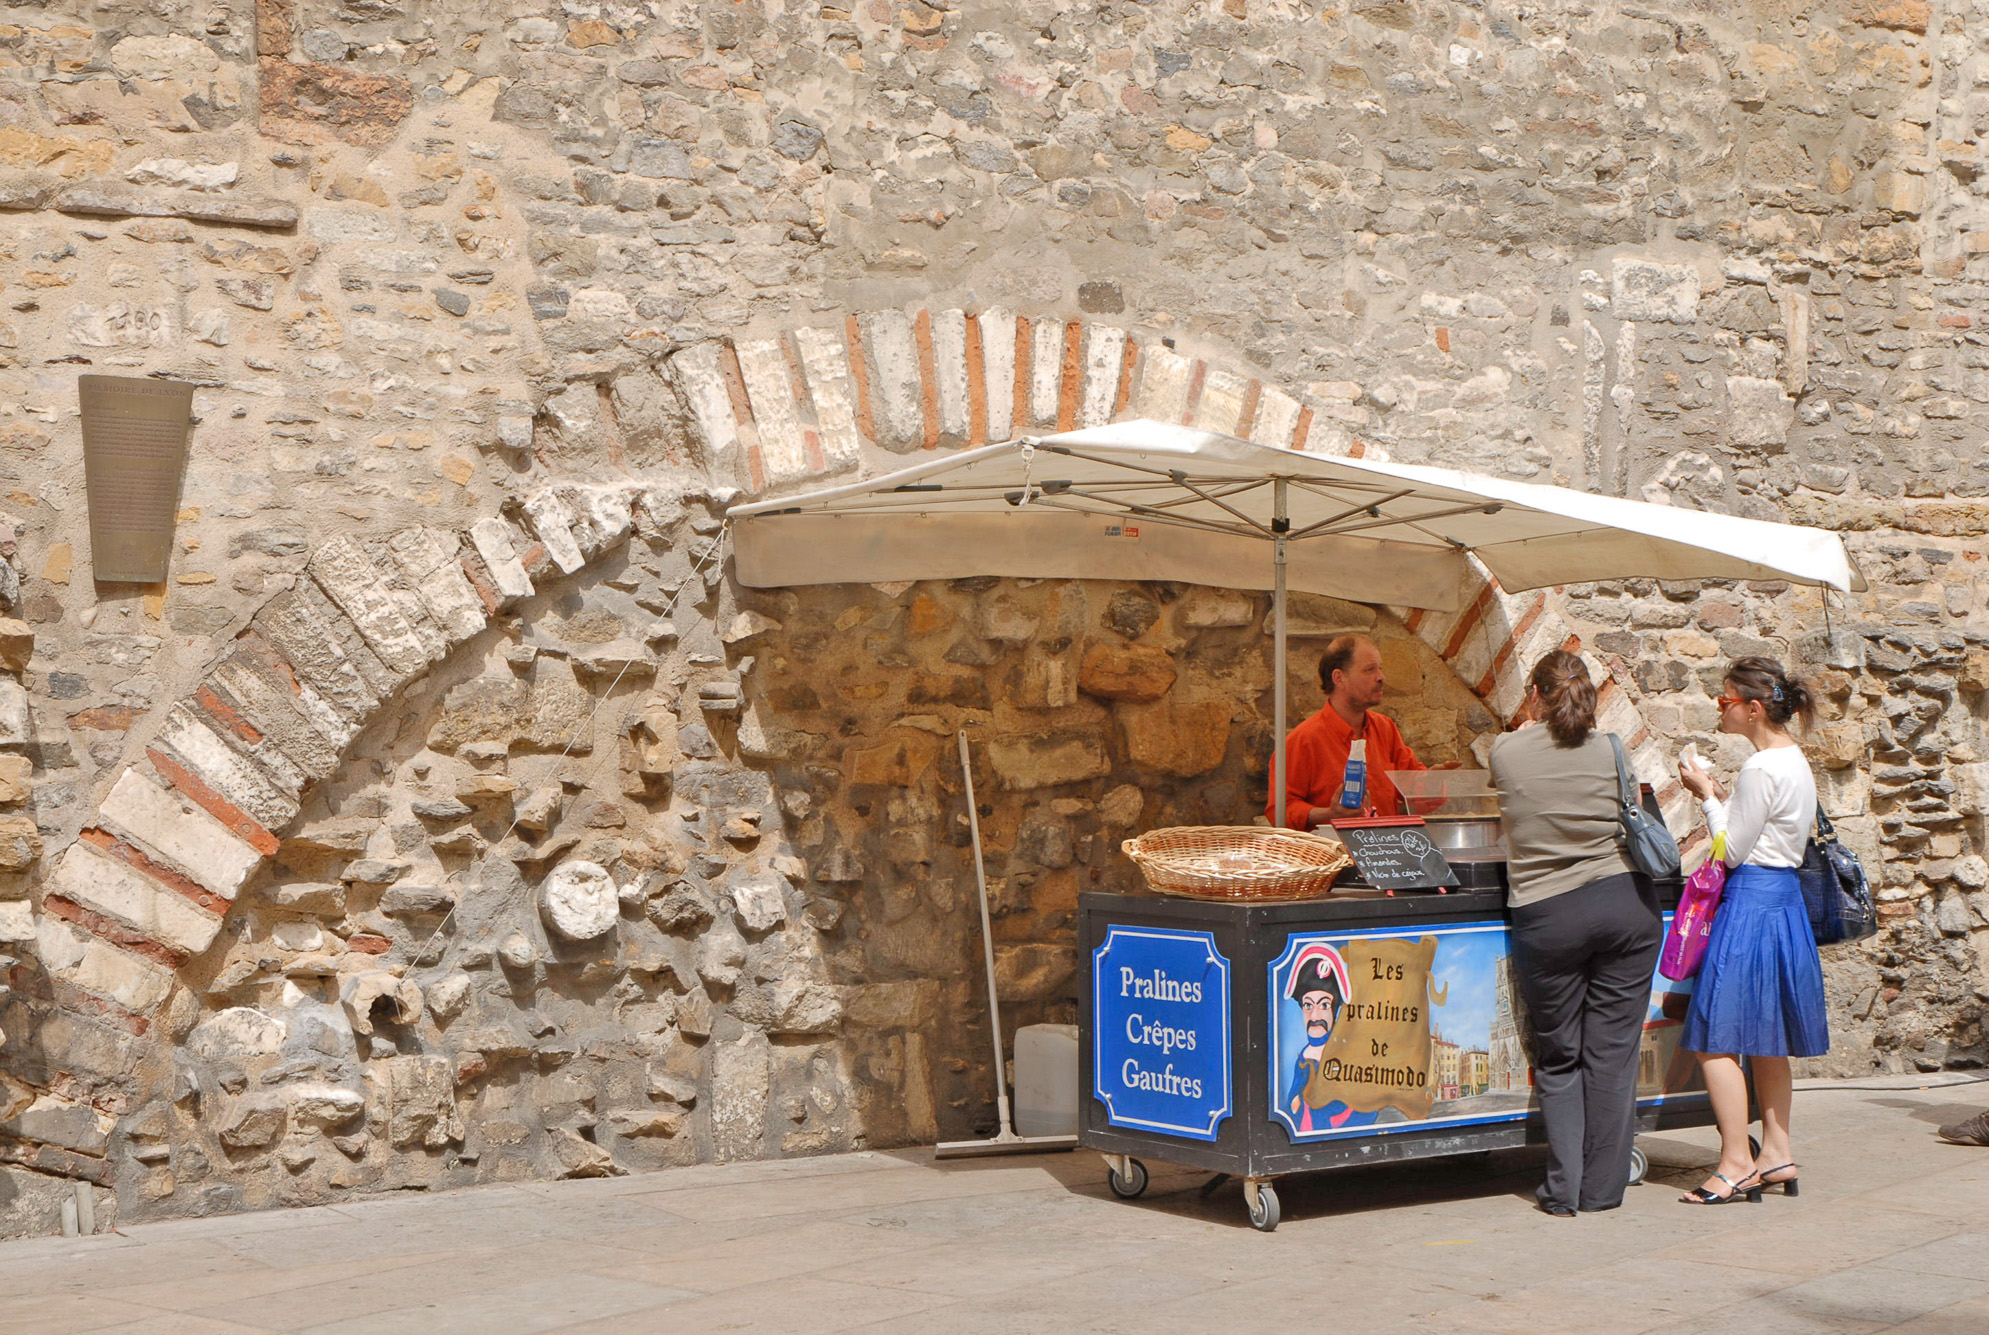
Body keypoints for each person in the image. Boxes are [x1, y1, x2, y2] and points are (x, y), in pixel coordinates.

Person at [1488, 650, 1663, 1216]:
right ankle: (1603, 1191)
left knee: (1560, 1057)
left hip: (1549, 915)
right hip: (1625, 906)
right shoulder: (1611, 748)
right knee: (1611, 1058)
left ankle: (1563, 1192)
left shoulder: (1506, 751)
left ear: (1535, 696)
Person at [1674, 655, 1827, 1204]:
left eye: (1725, 700)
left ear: (1753, 708)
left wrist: (1708, 796)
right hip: (1783, 903)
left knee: (1716, 1038)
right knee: (1768, 1039)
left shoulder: (1762, 768)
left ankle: (1736, 1160)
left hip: (1752, 902)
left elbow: (1732, 850)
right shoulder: (1795, 760)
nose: (1721, 707)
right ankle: (1777, 1152)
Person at [1268, 634, 1425, 828]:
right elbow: (1279, 812)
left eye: (1380, 668)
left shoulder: (1386, 729)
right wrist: (1328, 814)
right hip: (1332, 856)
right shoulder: (1302, 741)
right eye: (1369, 670)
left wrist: (1435, 782)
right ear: (1339, 678)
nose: (1381, 677)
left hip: (1385, 854)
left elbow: (1415, 791)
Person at [1282, 944, 1379, 1134]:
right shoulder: (1303, 1056)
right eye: (1308, 1006)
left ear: (1335, 1011)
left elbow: (1366, 1105)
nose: (1315, 1016)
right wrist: (1296, 1101)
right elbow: (1293, 1099)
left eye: (1324, 1005)